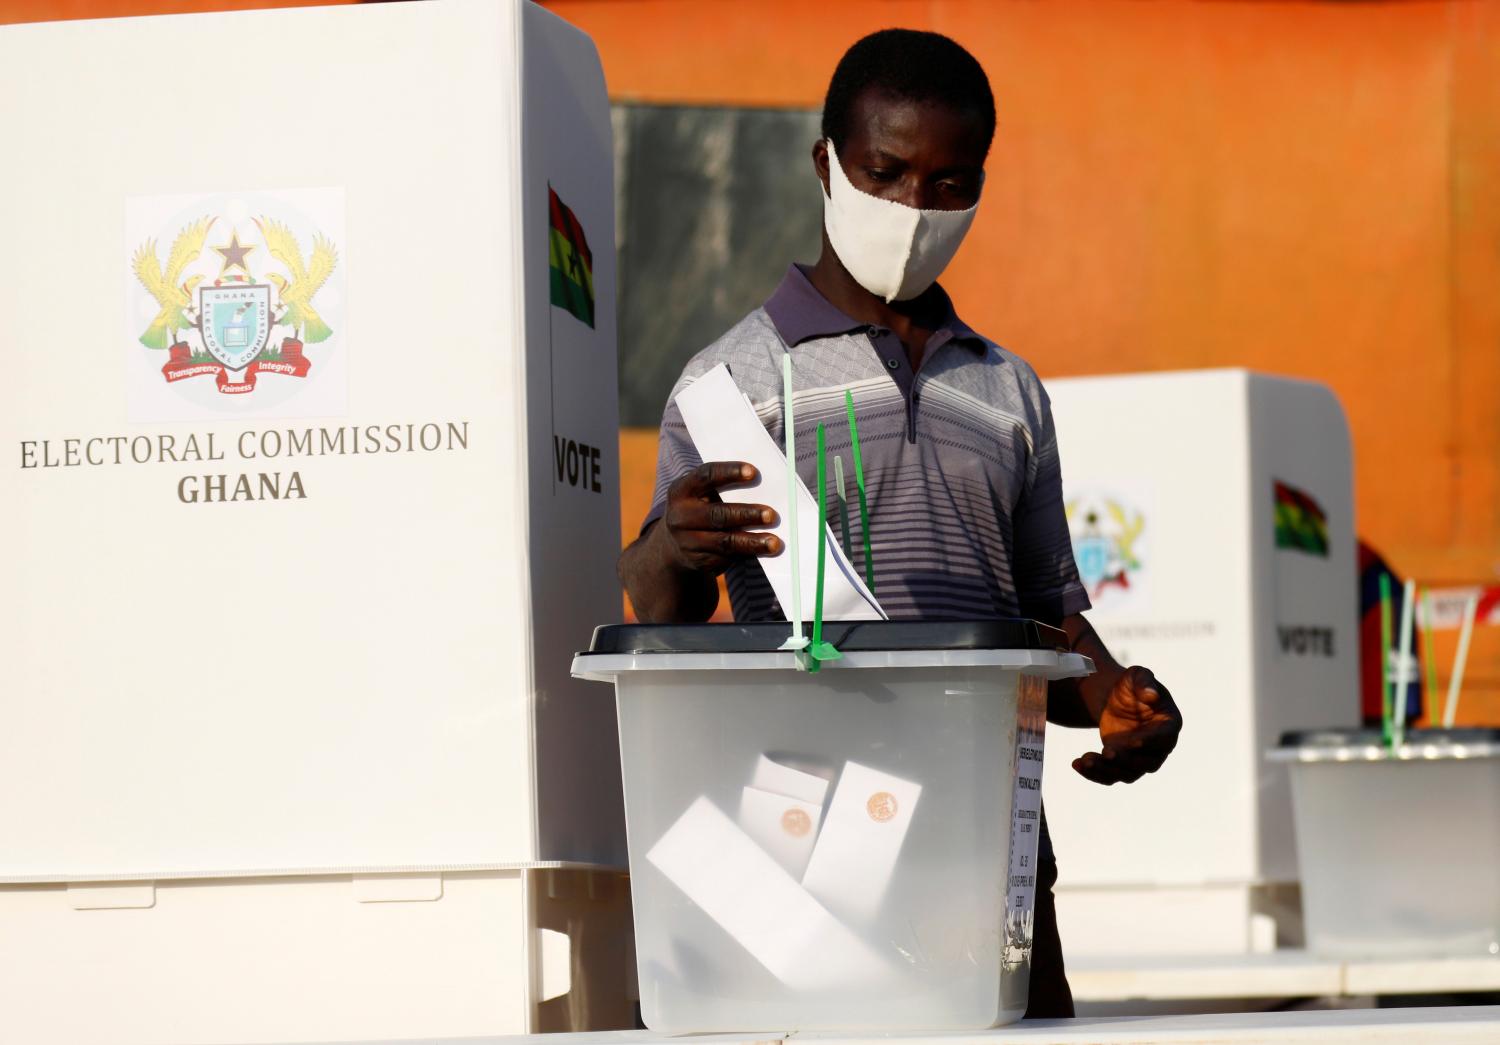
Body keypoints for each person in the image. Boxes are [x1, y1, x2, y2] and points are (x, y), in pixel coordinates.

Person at [618, 28, 1183, 1018]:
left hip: (988, 842)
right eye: (885, 173)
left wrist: (1117, 699)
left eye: (949, 181)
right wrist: (674, 540)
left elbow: (1043, 622)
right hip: (807, 846)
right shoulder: (731, 382)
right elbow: (661, 602)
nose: (914, 209)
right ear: (826, 164)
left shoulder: (1008, 389)